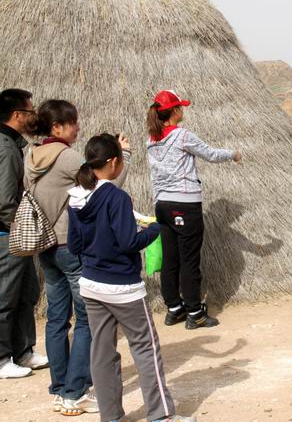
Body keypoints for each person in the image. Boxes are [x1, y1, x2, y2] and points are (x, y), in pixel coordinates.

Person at [67, 134, 195, 422]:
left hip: (91, 285)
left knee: (101, 352)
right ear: (114, 162)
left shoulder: (75, 196)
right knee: (146, 348)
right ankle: (161, 415)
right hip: (123, 288)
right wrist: (154, 230)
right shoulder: (117, 197)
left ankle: (110, 415)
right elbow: (128, 242)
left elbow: (74, 245)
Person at [24, 100, 131, 415]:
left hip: (44, 245)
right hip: (70, 246)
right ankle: (76, 391)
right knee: (86, 320)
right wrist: (125, 154)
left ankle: (60, 389)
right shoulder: (68, 157)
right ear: (57, 127)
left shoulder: (30, 155)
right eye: (73, 123)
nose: (78, 127)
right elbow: (106, 190)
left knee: (57, 318)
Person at [146, 90, 242, 329]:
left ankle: (174, 309)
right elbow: (210, 154)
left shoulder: (151, 140)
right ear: (175, 111)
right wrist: (233, 154)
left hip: (162, 205)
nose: (183, 110)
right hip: (185, 204)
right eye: (181, 107)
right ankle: (195, 313)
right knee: (189, 260)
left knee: (170, 258)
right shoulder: (181, 136)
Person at [0, 88, 48, 379]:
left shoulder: (12, 144)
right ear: (17, 115)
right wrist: (20, 230)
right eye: (30, 111)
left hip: (12, 236)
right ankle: (3, 357)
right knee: (6, 297)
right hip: (8, 236)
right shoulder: (5, 149)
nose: (33, 116)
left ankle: (24, 351)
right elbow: (4, 200)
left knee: (26, 293)